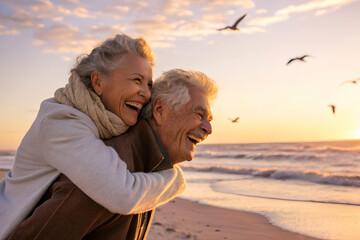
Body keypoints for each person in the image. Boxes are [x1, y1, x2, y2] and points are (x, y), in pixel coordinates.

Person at [0, 34, 187, 239]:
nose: (146, 93)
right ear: (98, 82)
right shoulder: (61, 123)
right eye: (137, 80)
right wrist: (174, 178)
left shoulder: (109, 121)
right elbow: (121, 194)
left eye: (149, 84)